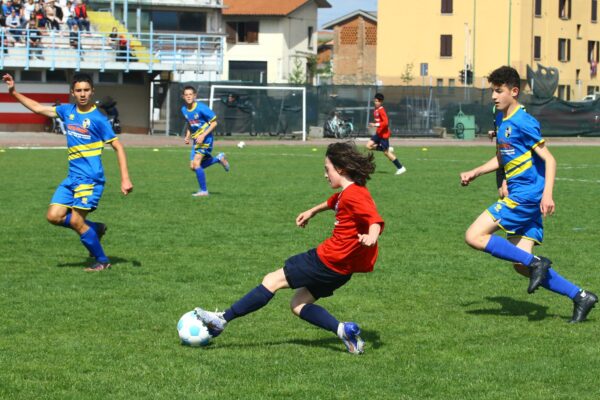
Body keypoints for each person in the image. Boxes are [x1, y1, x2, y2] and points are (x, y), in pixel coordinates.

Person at [194, 142, 383, 354]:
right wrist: (312, 211)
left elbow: (374, 220)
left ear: (340, 169)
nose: (325, 175)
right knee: (298, 304)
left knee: (272, 280)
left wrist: (371, 236)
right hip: (341, 271)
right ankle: (344, 331)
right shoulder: (350, 192)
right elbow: (333, 202)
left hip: (326, 260)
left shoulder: (355, 195)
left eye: (327, 169)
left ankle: (221, 320)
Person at [460, 66, 597, 323]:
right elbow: (504, 156)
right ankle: (581, 296)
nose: (494, 96)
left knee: (474, 235)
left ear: (514, 91)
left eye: (499, 91)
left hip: (526, 196)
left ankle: (537, 263)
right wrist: (476, 172)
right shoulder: (501, 118)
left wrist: (548, 195)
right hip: (522, 194)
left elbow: (550, 160)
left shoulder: (524, 121)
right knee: (522, 264)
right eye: (492, 91)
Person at [2, 73, 134, 271]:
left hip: (90, 179)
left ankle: (102, 261)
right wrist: (13, 92)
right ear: (72, 92)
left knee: (75, 221)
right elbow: (38, 108)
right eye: (79, 90)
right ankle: (95, 228)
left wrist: (125, 179)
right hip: (72, 178)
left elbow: (118, 147)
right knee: (53, 216)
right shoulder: (67, 111)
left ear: (92, 92)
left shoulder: (98, 118)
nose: (82, 94)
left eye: (86, 90)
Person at [181, 86, 229, 197]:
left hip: (206, 139)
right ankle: (218, 158)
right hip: (196, 140)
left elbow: (214, 123)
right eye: (186, 95)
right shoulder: (184, 109)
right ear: (183, 97)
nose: (188, 96)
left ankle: (204, 191)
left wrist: (203, 135)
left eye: (190, 94)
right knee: (193, 167)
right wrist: (188, 136)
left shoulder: (202, 108)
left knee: (197, 163)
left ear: (195, 96)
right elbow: (190, 123)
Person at [366, 93, 406, 175]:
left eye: (377, 101)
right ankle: (386, 148)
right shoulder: (376, 110)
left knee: (386, 153)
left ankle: (400, 167)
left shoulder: (381, 110)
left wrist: (375, 125)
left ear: (381, 102)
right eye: (375, 101)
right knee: (368, 146)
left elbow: (386, 123)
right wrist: (374, 125)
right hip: (379, 133)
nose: (375, 102)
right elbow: (379, 121)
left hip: (384, 135)